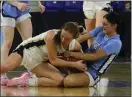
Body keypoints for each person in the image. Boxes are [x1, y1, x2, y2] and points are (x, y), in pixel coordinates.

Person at [1, 22, 87, 87]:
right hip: (25, 51)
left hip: (39, 61)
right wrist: (74, 64)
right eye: (62, 36)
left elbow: (81, 55)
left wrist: (81, 64)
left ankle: (26, 80)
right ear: (61, 31)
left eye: (67, 39)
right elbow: (54, 61)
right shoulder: (51, 37)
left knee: (59, 80)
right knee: (3, 68)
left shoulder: (75, 45)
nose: (63, 40)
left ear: (73, 38)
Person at [63, 12, 122, 87]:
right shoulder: (101, 29)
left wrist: (70, 54)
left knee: (68, 81)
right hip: (84, 63)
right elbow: (81, 39)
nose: (102, 26)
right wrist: (66, 43)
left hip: (93, 73)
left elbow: (93, 56)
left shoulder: (115, 43)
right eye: (102, 23)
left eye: (105, 24)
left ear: (114, 26)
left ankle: (79, 77)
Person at [0, 1, 45, 85]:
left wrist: (39, 3)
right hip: (8, 8)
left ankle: (31, 72)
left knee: (28, 42)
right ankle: (2, 74)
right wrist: (17, 4)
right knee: (7, 43)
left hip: (23, 8)